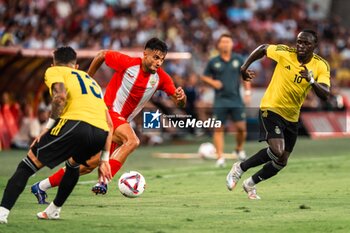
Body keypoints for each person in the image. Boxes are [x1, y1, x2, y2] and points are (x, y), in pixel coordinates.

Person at [30, 37, 187, 203]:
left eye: (162, 59)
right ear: (145, 54)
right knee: (132, 141)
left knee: (87, 165)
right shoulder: (128, 63)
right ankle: (103, 181)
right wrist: (87, 77)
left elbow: (179, 102)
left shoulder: (161, 78)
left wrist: (181, 98)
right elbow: (102, 55)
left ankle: (41, 187)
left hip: (119, 122)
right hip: (107, 113)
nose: (159, 62)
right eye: (155, 57)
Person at [0, 46, 112, 224]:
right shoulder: (92, 82)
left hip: (75, 125)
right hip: (100, 133)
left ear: (53, 64)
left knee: (27, 166)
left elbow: (60, 97)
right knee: (73, 164)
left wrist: (47, 127)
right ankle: (53, 210)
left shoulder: (54, 71)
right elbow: (110, 124)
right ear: (75, 66)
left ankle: (2, 213)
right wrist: (104, 159)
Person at [226, 29, 330, 199]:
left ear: (315, 46)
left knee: (282, 160)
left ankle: (250, 183)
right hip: (271, 108)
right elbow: (263, 48)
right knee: (277, 150)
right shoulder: (285, 53)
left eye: (306, 43)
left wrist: (311, 80)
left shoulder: (321, 65)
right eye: (299, 42)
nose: (301, 46)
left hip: (292, 116)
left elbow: (325, 94)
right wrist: (244, 68)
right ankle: (240, 168)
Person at [201, 33, 251, 167]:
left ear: (231, 44)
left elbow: (246, 76)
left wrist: (247, 92)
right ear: (218, 45)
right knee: (218, 129)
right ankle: (220, 157)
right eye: (223, 42)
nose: (225, 44)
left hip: (236, 99)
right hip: (220, 100)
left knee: (241, 128)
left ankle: (239, 149)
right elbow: (204, 77)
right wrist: (213, 82)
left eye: (228, 42)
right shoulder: (213, 61)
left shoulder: (239, 59)